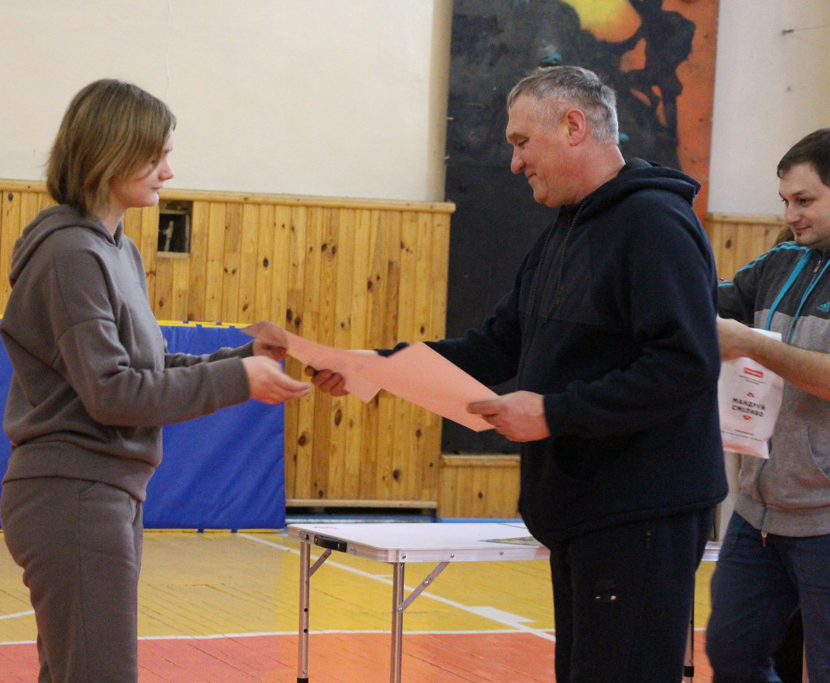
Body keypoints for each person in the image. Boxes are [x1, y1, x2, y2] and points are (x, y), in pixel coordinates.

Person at [309, 65, 727, 682]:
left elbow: (685, 364)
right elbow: (496, 346)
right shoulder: (566, 230)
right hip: (585, 510)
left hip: (638, 512)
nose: (514, 163)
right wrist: (376, 367)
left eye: (522, 142)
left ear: (574, 126)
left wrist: (555, 412)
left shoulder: (654, 224)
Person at [0, 79, 311, 683]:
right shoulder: (71, 255)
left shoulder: (119, 251)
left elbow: (150, 368)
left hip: (105, 492)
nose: (169, 171)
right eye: (155, 155)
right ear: (109, 154)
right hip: (73, 493)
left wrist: (245, 356)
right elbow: (113, 393)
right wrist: (238, 380)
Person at [705, 127, 830, 683]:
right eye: (785, 201)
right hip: (758, 515)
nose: (790, 216)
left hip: (825, 520)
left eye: (804, 200)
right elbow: (704, 303)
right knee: (731, 652)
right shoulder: (782, 261)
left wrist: (751, 344)